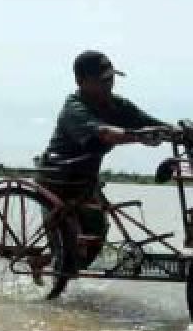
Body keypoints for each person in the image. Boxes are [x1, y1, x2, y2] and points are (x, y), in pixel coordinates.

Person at [38, 50, 169, 263]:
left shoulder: (117, 105)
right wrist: (139, 137)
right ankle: (51, 265)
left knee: (96, 236)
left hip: (85, 180)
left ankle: (44, 261)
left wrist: (179, 133)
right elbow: (105, 133)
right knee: (69, 255)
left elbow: (149, 122)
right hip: (59, 181)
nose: (110, 84)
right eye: (103, 80)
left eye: (111, 78)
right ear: (81, 81)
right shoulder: (74, 108)